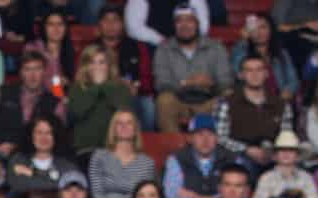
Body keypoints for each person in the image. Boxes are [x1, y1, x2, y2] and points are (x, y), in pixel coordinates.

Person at [152, 5, 231, 133]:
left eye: (189, 20)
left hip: (208, 102)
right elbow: (161, 83)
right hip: (179, 102)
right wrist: (186, 83)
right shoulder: (164, 49)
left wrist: (211, 83)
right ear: (174, 25)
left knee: (228, 96)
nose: (184, 25)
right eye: (179, 21)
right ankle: (174, 147)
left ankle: (220, 146)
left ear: (197, 24)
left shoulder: (216, 47)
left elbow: (226, 81)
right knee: (164, 100)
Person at [5, 113, 79, 198]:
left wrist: (33, 175)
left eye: (49, 133)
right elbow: (20, 186)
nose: (43, 137)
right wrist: (53, 186)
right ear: (31, 135)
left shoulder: (67, 165)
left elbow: (70, 191)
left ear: (56, 136)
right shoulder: (18, 160)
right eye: (39, 132)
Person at [0, 51, 65, 157]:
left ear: (45, 72)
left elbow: (58, 140)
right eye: (27, 69)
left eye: (37, 69)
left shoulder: (55, 103)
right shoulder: (0, 93)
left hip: (34, 158)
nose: (33, 75)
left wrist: (16, 148)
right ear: (20, 72)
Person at [215, 53, 290, 174]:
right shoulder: (227, 103)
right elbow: (220, 138)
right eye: (249, 70)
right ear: (241, 75)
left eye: (259, 70)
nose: (255, 75)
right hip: (240, 156)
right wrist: (247, 149)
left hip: (273, 156)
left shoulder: (281, 104)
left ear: (266, 74)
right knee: (241, 165)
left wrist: (274, 153)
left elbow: (286, 137)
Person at [95, 4, 155, 130]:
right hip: (98, 94)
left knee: (148, 104)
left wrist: (135, 86)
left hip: (133, 94)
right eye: (106, 20)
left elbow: (148, 78)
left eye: (115, 20)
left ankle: (145, 143)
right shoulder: (91, 48)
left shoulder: (137, 47)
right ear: (99, 24)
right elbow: (81, 77)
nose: (110, 25)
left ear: (123, 24)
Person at [68, 46, 132, 160]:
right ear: (85, 66)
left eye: (102, 62)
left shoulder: (121, 88)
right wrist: (96, 88)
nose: (97, 67)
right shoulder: (77, 88)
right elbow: (77, 112)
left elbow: (124, 111)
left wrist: (104, 86)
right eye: (92, 62)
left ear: (109, 66)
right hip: (86, 150)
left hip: (115, 150)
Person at [162, 113, 223, 198]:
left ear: (217, 138)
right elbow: (171, 194)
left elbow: (239, 191)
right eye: (200, 134)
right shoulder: (176, 159)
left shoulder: (230, 158)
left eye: (210, 134)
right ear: (190, 138)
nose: (205, 140)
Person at [88, 109, 156, 198]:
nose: (124, 126)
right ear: (113, 129)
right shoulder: (99, 157)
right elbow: (97, 195)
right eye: (119, 123)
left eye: (129, 123)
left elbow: (146, 197)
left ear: (135, 129)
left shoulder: (147, 163)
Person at [229, 12, 298, 104]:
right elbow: (237, 72)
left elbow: (293, 79)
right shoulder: (242, 51)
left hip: (279, 100)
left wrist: (287, 92)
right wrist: (243, 40)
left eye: (263, 27)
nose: (259, 32)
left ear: (271, 30)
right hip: (250, 101)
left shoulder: (281, 53)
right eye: (255, 28)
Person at [22, 12, 74, 94]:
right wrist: (57, 85)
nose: (56, 28)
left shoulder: (69, 50)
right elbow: (31, 80)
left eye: (60, 24)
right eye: (51, 24)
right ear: (44, 28)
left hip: (61, 98)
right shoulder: (33, 48)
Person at [125, 0, 209, 48]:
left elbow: (203, 26)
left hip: (190, 42)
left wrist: (189, 41)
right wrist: (161, 41)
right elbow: (133, 28)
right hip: (155, 45)